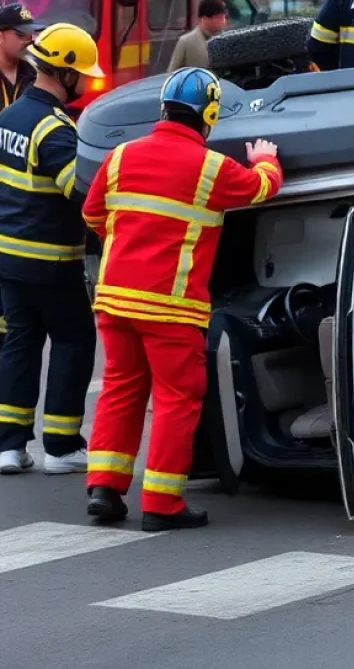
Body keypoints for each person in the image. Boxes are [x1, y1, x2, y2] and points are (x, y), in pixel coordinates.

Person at [82, 67, 283, 530]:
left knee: (121, 389)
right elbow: (259, 188)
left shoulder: (119, 157)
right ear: (208, 114)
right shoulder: (210, 167)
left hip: (115, 299)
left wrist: (131, 243)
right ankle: (163, 503)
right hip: (170, 307)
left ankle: (105, 489)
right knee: (176, 399)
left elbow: (94, 213)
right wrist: (267, 159)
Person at [0, 23, 104, 476]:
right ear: (64, 73)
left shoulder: (10, 117)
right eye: (82, 73)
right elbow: (83, 198)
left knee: (20, 345)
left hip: (9, 258)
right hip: (51, 261)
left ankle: (9, 445)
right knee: (73, 342)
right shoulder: (56, 131)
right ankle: (61, 446)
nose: (86, 81)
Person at [0, 3, 44, 354]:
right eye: (20, 34)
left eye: (31, 33)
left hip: (17, 186)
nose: (29, 40)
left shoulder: (33, 75)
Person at [167, 0, 229, 72]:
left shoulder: (226, 40)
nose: (223, 21)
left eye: (224, 17)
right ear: (204, 19)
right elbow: (172, 73)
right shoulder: (186, 41)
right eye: (218, 18)